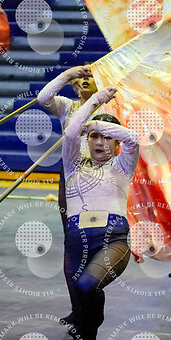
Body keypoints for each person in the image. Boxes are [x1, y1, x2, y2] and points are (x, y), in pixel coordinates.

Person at [62, 86, 139, 340]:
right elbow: (71, 133)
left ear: (116, 145)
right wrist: (94, 101)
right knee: (81, 322)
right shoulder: (72, 166)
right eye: (94, 136)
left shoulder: (122, 166)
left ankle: (96, 312)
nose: (100, 142)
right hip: (75, 244)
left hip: (112, 241)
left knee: (87, 286)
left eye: (107, 137)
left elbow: (133, 138)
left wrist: (95, 124)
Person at [36, 65, 103, 323]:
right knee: (73, 243)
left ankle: (93, 303)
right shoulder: (67, 106)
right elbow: (43, 98)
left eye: (90, 77)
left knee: (96, 243)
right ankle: (78, 309)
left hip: (100, 182)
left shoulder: (109, 110)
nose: (85, 80)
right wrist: (66, 75)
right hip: (70, 179)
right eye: (81, 78)